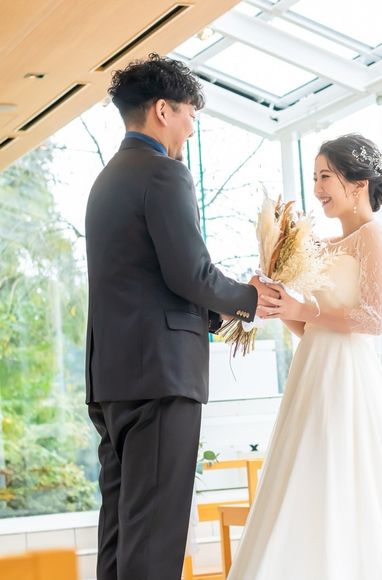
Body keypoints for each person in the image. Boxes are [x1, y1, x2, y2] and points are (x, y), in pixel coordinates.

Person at [227, 134, 382, 579]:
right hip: (312, 370)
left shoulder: (374, 236)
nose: (317, 189)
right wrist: (282, 309)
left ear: (357, 184)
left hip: (350, 376)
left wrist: (301, 309)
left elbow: (373, 319)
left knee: (349, 471)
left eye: (326, 177)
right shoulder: (322, 245)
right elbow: (312, 326)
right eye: (315, 178)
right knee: (307, 473)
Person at [84, 53, 275, 580]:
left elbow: (150, 277)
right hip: (161, 378)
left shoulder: (105, 181)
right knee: (154, 535)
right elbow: (191, 273)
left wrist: (218, 314)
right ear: (163, 110)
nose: (191, 128)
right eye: (190, 114)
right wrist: (253, 298)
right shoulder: (164, 174)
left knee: (121, 531)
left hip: (113, 380)